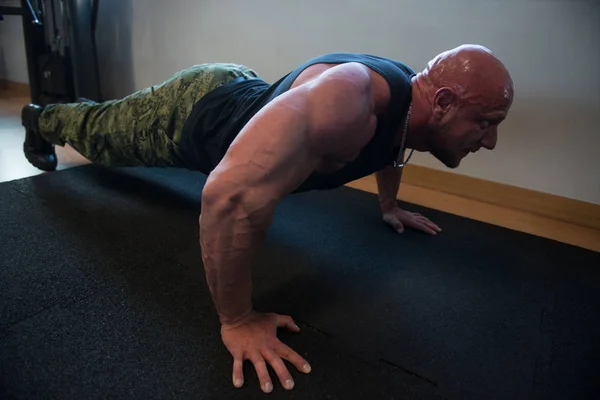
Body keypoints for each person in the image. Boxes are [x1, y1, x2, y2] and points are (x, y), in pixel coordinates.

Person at [21, 44, 514, 393]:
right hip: (188, 114)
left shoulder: (409, 99)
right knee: (101, 136)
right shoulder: (348, 101)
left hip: (235, 87)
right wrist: (236, 320)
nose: (489, 141)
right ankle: (40, 117)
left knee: (111, 119)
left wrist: (388, 205)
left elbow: (394, 143)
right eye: (486, 123)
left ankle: (93, 112)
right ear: (444, 102)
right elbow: (226, 198)